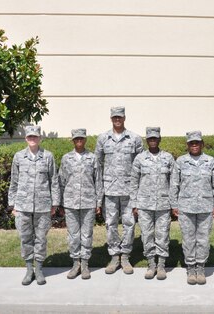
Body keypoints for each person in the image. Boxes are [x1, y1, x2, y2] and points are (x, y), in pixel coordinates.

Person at [169, 131, 214, 285]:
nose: (194, 145)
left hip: (205, 208)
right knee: (188, 239)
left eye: (197, 143)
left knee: (203, 239)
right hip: (185, 208)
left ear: (202, 144)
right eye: (191, 143)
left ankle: (201, 268)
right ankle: (191, 268)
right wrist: (174, 205)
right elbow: (174, 185)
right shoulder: (180, 161)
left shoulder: (210, 161)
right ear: (187, 145)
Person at [8, 125, 60, 286]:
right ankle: (29, 269)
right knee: (25, 237)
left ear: (40, 138)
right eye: (30, 136)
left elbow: (54, 181)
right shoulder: (18, 157)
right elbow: (14, 181)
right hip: (22, 205)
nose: (32, 139)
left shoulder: (48, 157)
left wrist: (55, 203)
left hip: (43, 205)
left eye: (35, 136)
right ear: (26, 138)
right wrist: (12, 204)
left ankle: (39, 269)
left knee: (41, 238)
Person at [95, 106, 143, 274]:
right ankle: (115, 256)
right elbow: (97, 166)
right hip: (109, 190)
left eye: (120, 117)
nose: (117, 119)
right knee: (111, 224)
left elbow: (140, 166)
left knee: (129, 223)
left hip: (129, 190)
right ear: (111, 118)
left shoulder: (135, 139)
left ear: (124, 118)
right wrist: (99, 193)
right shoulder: (102, 139)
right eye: (114, 117)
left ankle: (125, 256)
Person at [130, 127, 175, 280]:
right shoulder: (140, 158)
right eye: (150, 139)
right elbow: (134, 182)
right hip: (144, 205)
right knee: (147, 235)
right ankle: (151, 264)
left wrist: (173, 204)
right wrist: (134, 203)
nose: (153, 141)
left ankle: (161, 265)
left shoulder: (168, 158)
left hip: (163, 204)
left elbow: (174, 182)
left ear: (159, 139)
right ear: (147, 140)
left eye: (155, 138)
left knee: (162, 235)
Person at [58, 128, 103, 280]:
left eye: (81, 138)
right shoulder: (66, 158)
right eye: (76, 139)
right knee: (73, 235)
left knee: (86, 234)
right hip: (70, 203)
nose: (79, 141)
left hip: (89, 202)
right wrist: (61, 204)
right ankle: (75, 263)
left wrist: (98, 202)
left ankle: (85, 264)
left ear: (85, 140)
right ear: (73, 140)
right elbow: (61, 181)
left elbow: (98, 180)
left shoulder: (92, 158)